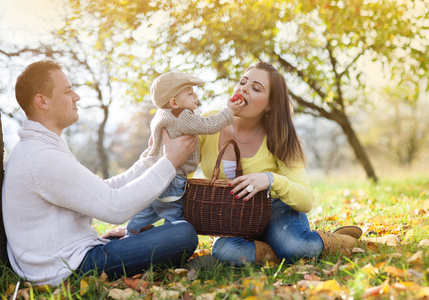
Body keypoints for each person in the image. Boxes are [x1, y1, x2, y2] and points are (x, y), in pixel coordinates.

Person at [2, 60, 199, 286]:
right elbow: (116, 208)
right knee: (182, 234)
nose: (76, 96)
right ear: (42, 101)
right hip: (67, 270)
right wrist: (170, 162)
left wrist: (149, 161)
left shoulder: (41, 147)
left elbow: (102, 189)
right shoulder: (41, 157)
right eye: (67, 91)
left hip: (67, 259)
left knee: (163, 231)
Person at [197, 61, 363, 265]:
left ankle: (340, 241)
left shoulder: (279, 136)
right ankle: (276, 251)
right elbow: (181, 169)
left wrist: (270, 180)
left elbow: (306, 199)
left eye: (256, 88)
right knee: (225, 251)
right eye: (242, 82)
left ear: (269, 105)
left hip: (275, 209)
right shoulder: (208, 123)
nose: (244, 89)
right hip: (234, 217)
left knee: (296, 247)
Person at [126, 71, 243, 236]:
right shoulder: (182, 116)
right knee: (177, 219)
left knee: (146, 212)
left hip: (153, 174)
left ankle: (129, 236)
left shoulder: (161, 115)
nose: (195, 96)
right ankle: (173, 246)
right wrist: (229, 112)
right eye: (190, 93)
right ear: (174, 102)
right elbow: (208, 125)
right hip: (172, 179)